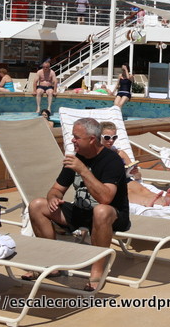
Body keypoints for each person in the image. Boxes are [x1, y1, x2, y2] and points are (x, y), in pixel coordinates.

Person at [25, 118, 130, 291]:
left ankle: (97, 270)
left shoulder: (112, 161)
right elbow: (56, 189)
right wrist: (53, 197)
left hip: (112, 215)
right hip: (81, 211)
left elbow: (106, 198)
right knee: (37, 205)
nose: (72, 140)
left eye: (76, 137)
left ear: (91, 139)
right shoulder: (76, 158)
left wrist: (82, 170)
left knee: (101, 211)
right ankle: (51, 263)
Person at [99, 122, 170, 207]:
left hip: (125, 179)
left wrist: (135, 173)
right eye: (107, 137)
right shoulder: (97, 154)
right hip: (109, 183)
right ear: (99, 137)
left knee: (142, 189)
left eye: (114, 137)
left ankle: (162, 200)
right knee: (128, 192)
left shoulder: (120, 153)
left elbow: (138, 176)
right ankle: (146, 202)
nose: (111, 141)